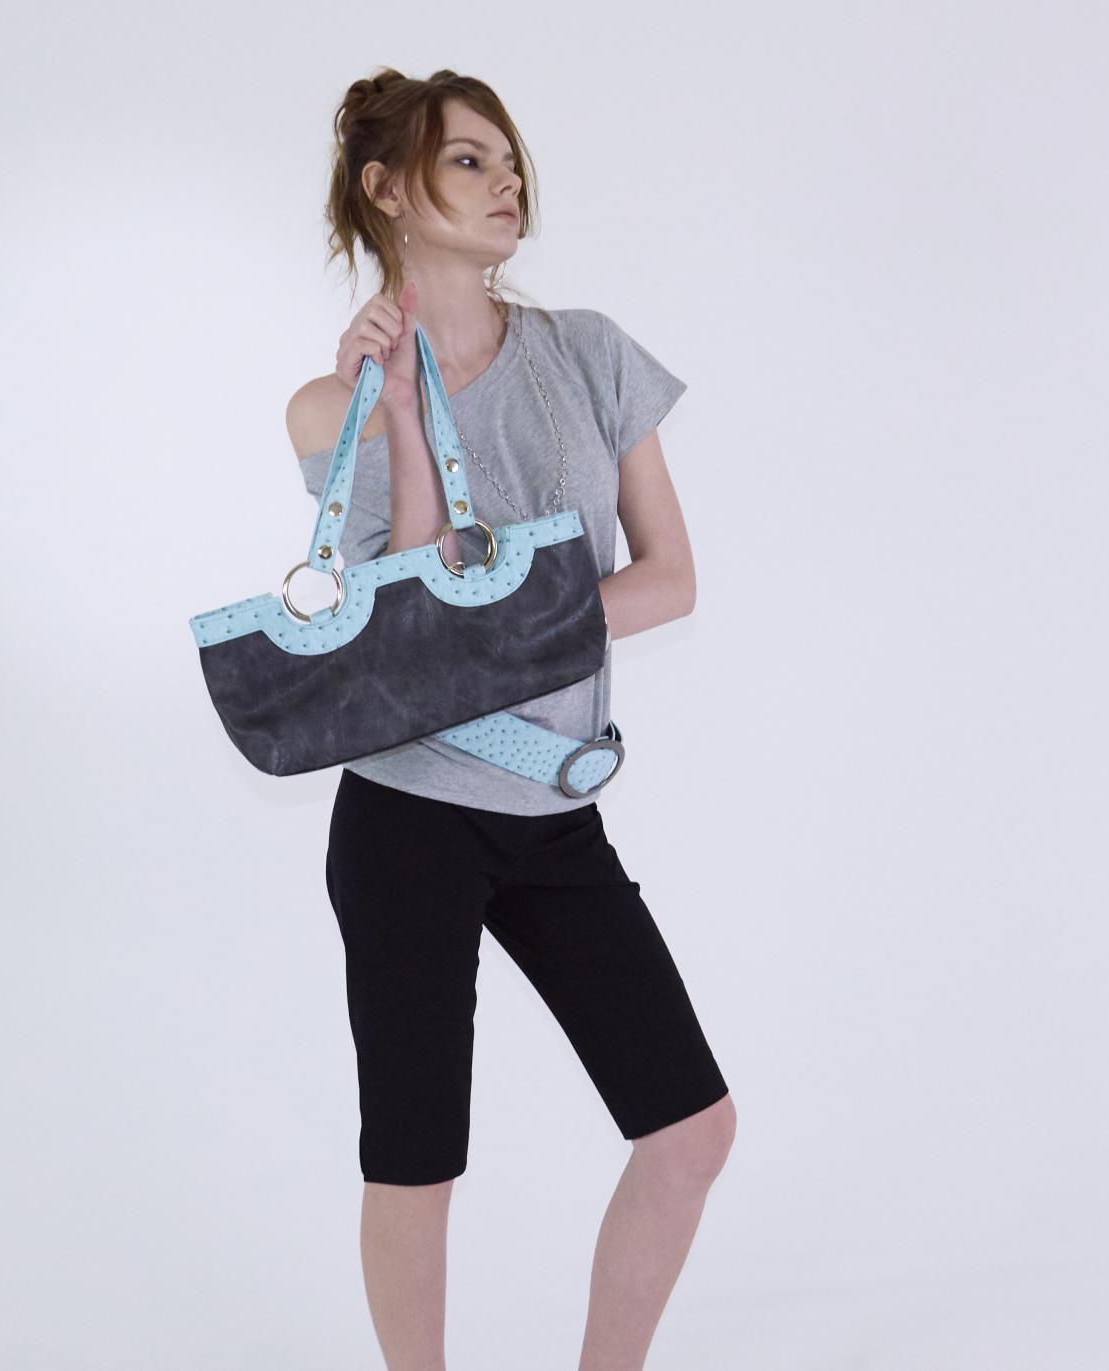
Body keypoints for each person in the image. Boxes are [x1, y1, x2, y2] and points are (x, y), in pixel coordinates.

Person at [283, 69, 737, 1369]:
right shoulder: (333, 406)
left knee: (691, 1131)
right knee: (416, 1160)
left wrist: (493, 625)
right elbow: (400, 612)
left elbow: (670, 579)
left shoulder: (588, 353)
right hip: (406, 817)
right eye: (469, 161)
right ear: (386, 189)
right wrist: (403, 421)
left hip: (553, 808)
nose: (508, 182)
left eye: (509, 159)